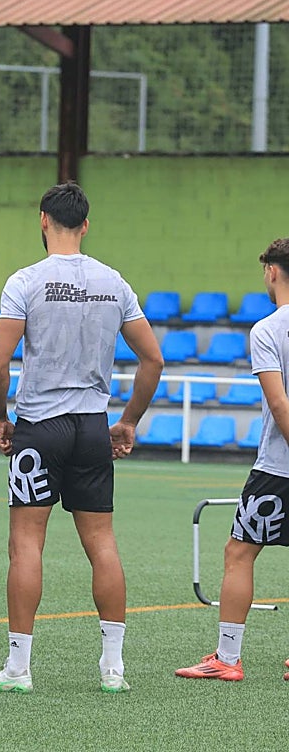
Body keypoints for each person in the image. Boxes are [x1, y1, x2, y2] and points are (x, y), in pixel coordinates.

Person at [0, 182, 163, 695]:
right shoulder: (113, 282)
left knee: (26, 544)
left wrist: (1, 418)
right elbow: (153, 359)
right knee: (102, 544)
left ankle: (18, 668)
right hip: (92, 426)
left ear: (42, 220)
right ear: (86, 225)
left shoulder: (25, 281)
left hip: (41, 426)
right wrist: (128, 421)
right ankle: (113, 668)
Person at [175, 238, 289, 684]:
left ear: (272, 272)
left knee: (239, 552)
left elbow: (279, 405)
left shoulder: (267, 330)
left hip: (278, 467)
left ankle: (227, 657)